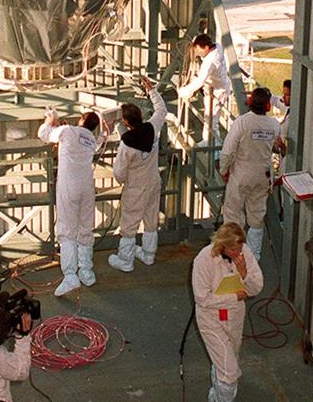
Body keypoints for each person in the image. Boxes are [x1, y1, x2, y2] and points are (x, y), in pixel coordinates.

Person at [192, 221, 263, 402]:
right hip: (211, 319)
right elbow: (202, 298)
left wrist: (243, 272)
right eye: (233, 250)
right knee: (230, 372)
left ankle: (222, 393)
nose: (238, 253)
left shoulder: (243, 254)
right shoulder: (204, 260)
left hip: (234, 317)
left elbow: (256, 287)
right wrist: (234, 297)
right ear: (222, 246)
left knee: (229, 358)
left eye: (240, 249)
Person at [38, 107, 105, 297]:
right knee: (85, 229)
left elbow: (44, 134)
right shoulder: (91, 139)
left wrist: (51, 119)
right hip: (86, 187)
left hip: (68, 187)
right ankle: (86, 271)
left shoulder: (67, 131)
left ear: (81, 120)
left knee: (66, 231)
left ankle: (70, 276)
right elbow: (98, 143)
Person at [108, 76, 167, 273]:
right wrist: (151, 90)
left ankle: (125, 260)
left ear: (125, 122)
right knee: (151, 219)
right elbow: (161, 110)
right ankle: (149, 254)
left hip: (136, 187)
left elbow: (119, 172)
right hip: (153, 182)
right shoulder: (152, 127)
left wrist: (125, 182)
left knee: (129, 224)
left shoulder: (126, 144)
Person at [219, 86, 282, 260]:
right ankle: (254, 256)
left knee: (232, 214)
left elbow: (228, 151)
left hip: (241, 175)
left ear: (249, 102)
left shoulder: (242, 123)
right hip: (263, 176)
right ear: (268, 106)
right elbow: (276, 147)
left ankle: (232, 254)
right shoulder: (274, 125)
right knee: (257, 216)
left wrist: (224, 170)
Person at [177, 35, 231, 142]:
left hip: (217, 92)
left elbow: (200, 81)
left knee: (211, 119)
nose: (197, 53)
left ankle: (212, 147)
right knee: (210, 119)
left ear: (206, 48)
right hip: (216, 87)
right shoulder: (217, 46)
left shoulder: (210, 62)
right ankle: (209, 142)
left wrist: (183, 91)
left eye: (199, 50)